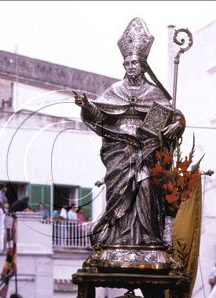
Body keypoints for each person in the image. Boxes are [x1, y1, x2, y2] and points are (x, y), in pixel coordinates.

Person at [74, 17, 185, 246]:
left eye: (134, 63)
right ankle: (117, 237)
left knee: (145, 186)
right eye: (127, 64)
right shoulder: (115, 90)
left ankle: (147, 236)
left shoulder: (154, 92)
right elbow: (101, 116)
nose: (130, 67)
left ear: (142, 65)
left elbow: (174, 115)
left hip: (146, 148)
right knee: (118, 191)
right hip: (118, 149)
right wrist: (87, 106)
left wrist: (178, 124)